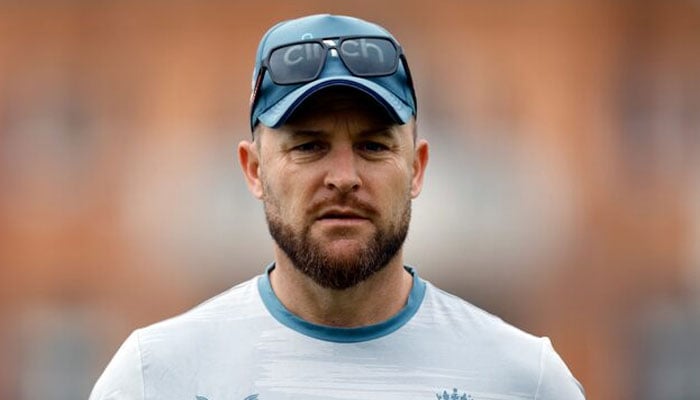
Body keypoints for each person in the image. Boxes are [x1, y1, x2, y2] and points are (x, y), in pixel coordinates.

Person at [90, 14, 585, 400]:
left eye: (373, 147)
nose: (344, 178)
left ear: (416, 167)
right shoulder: (153, 378)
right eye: (308, 147)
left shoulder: (526, 381)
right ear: (254, 169)